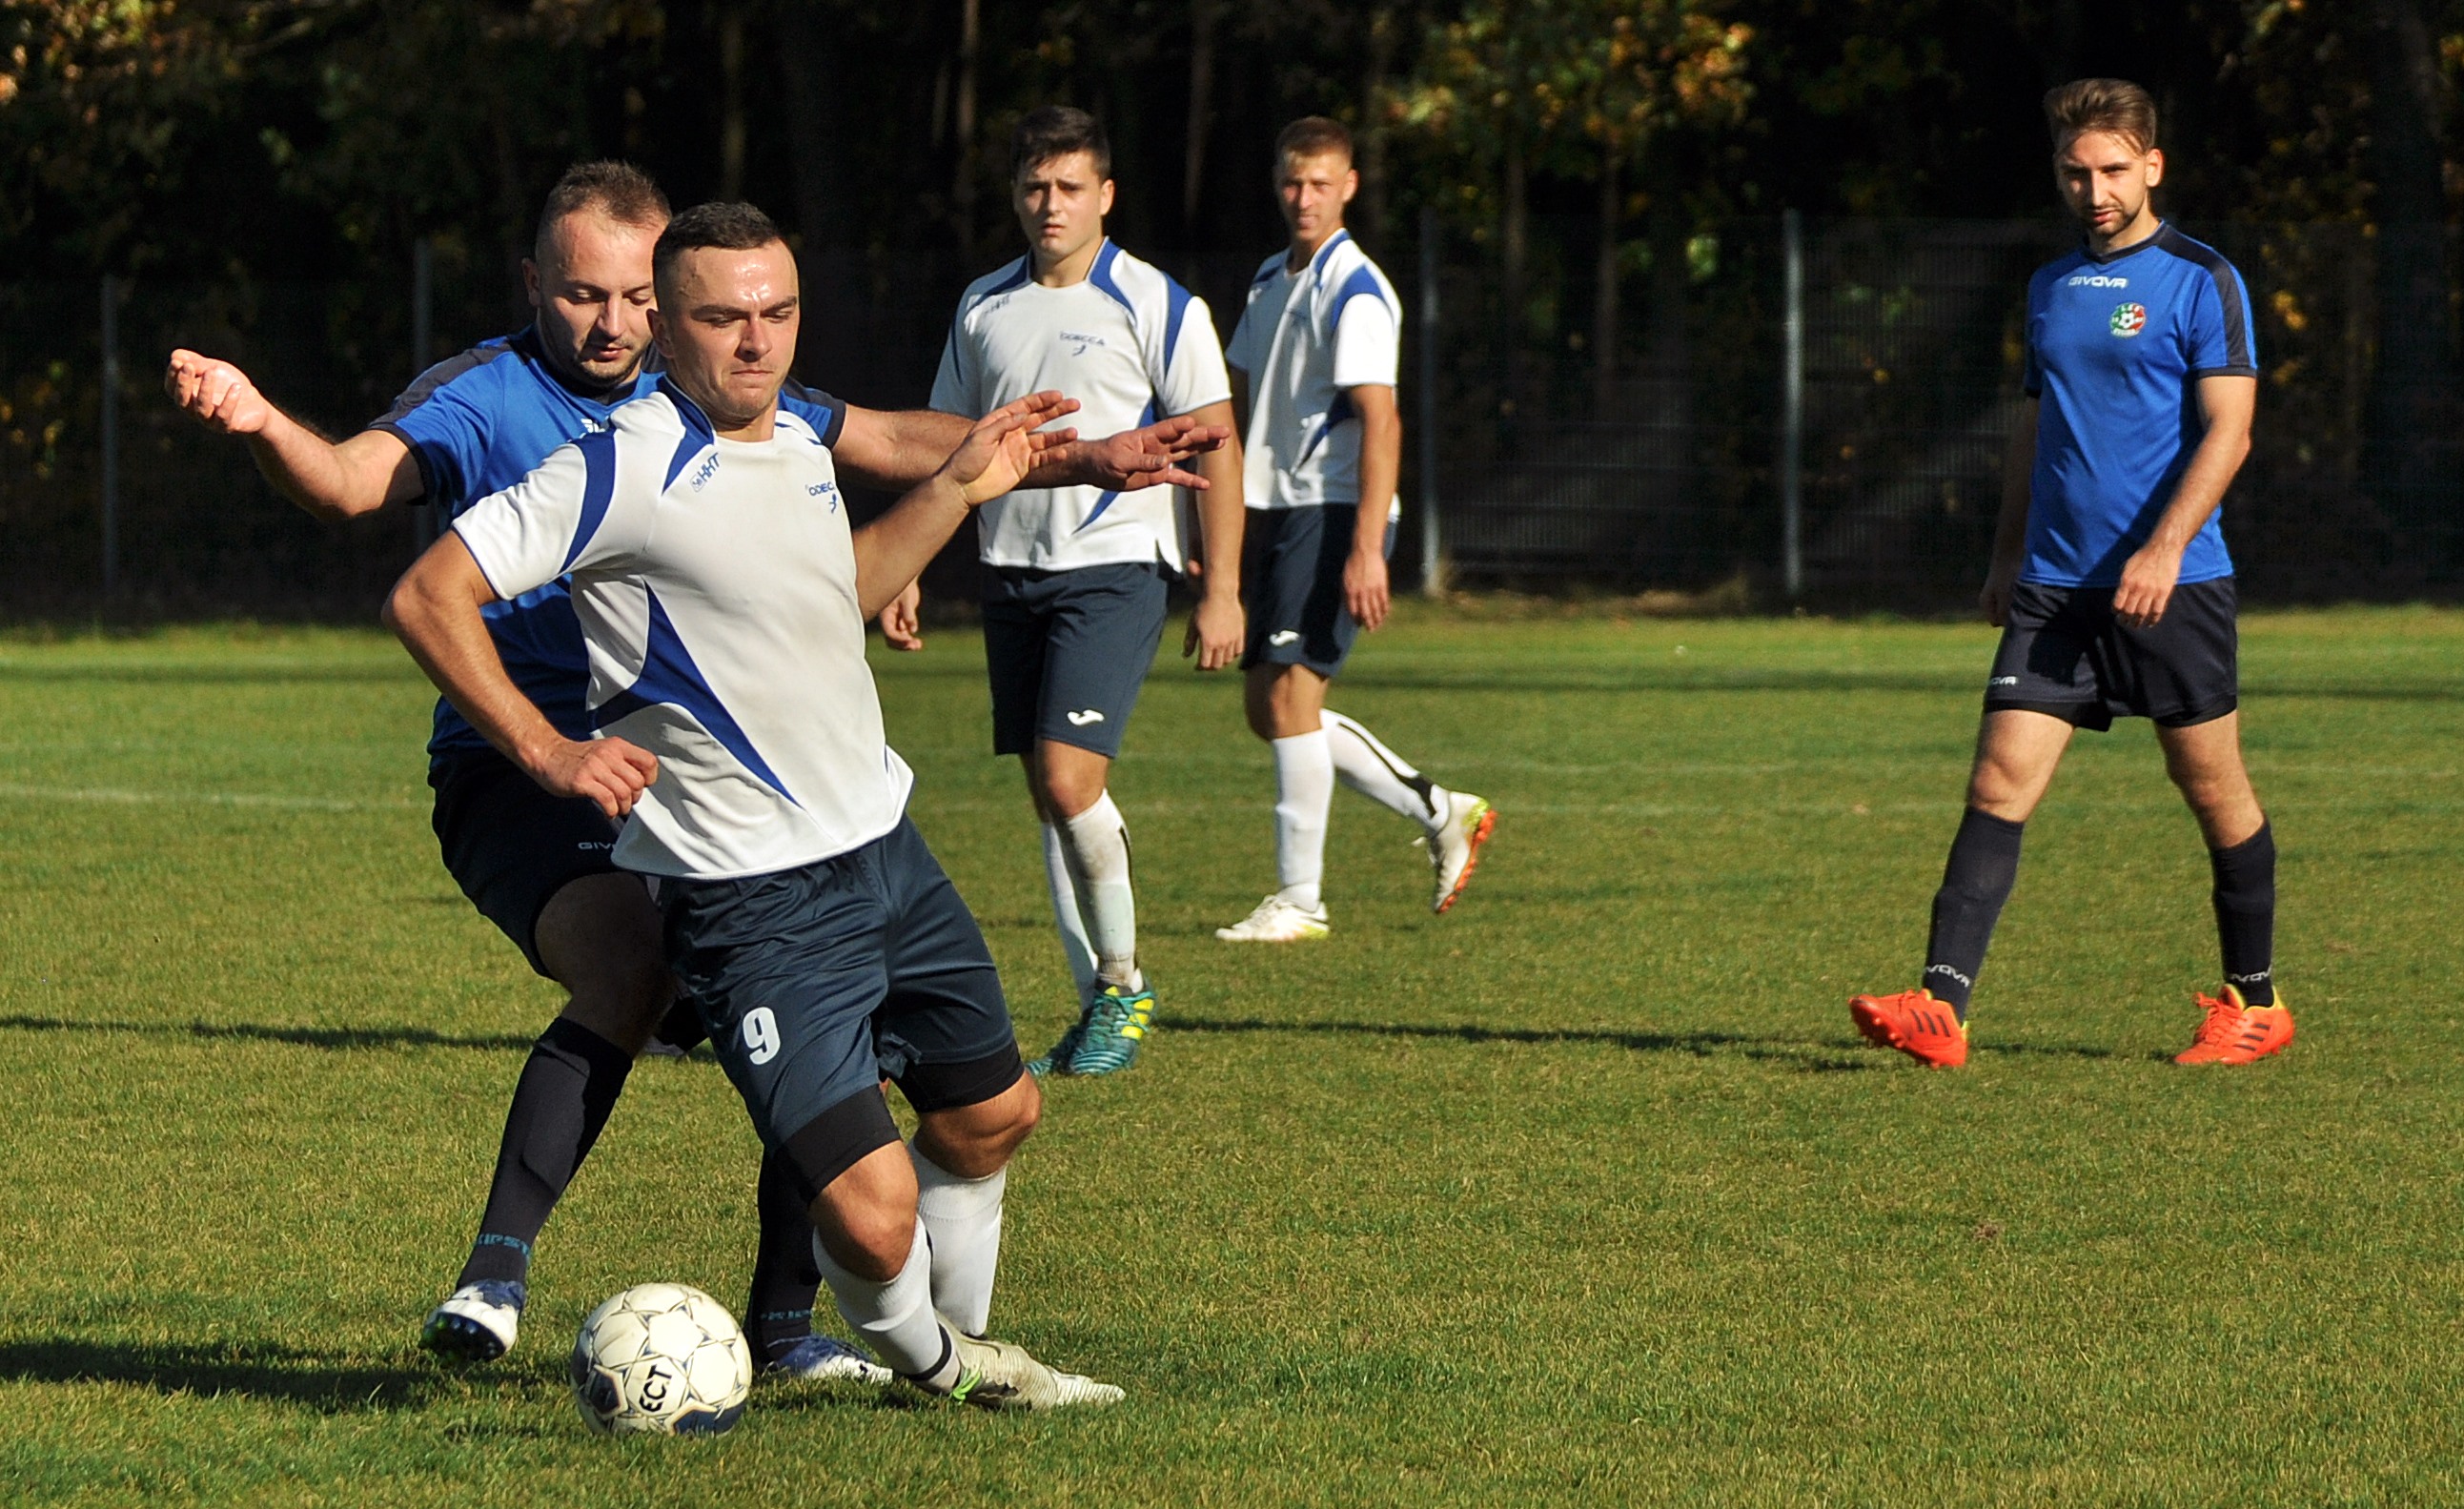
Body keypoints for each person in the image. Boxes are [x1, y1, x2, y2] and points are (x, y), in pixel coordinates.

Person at [163, 162, 1224, 1372]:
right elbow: (356, 491)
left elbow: (905, 444)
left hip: (721, 780)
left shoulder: (746, 401)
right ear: (539, 288)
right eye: (583, 296)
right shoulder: (503, 407)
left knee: (869, 1048)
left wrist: (1080, 460)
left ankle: (787, 1328)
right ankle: (496, 1275)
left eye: (632, 296)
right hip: (534, 764)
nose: (610, 323)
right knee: (635, 962)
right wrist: (263, 424)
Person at [385, 200, 1120, 1408]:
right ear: (667, 328)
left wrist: (960, 487)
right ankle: (946, 1371)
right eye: (722, 318)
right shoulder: (615, 464)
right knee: (876, 1223)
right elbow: (428, 594)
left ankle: (955, 1346)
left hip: (887, 850)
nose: (754, 341)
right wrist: (547, 749)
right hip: (754, 899)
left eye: (775, 313)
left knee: (996, 1114)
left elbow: (838, 598)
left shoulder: (795, 442)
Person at [1847, 79, 2286, 1070]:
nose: (2092, 190)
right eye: (2074, 172)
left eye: (2112, 171)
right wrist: (2006, 552)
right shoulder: (2047, 288)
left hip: (2175, 585)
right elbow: (2031, 429)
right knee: (1997, 779)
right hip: (2053, 584)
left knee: (2210, 787)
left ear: (2152, 166)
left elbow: (2230, 428)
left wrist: (2165, 545)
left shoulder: (2199, 279)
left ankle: (2252, 1003)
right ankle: (1940, 1005)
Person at [919, 105, 1246, 1076]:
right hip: (1009, 567)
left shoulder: (1156, 302)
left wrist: (1221, 585)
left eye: (1068, 187)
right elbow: (945, 445)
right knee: (1049, 795)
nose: (1048, 204)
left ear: (1104, 194)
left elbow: (1217, 444)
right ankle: (1093, 1004)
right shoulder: (982, 303)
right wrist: (911, 570)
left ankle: (1121, 985)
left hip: (1112, 564)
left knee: (1069, 779)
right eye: (1033, 187)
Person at [1212, 117, 1494, 945]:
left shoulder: (1356, 289)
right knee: (1269, 706)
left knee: (1293, 699)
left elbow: (1382, 422)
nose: (1305, 198)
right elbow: (1238, 399)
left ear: (1350, 186)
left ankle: (1300, 898)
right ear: (1277, 182)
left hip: (1334, 510)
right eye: (1293, 182)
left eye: (1322, 183)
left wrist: (1367, 546)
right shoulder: (1271, 278)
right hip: (1279, 507)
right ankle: (1441, 809)